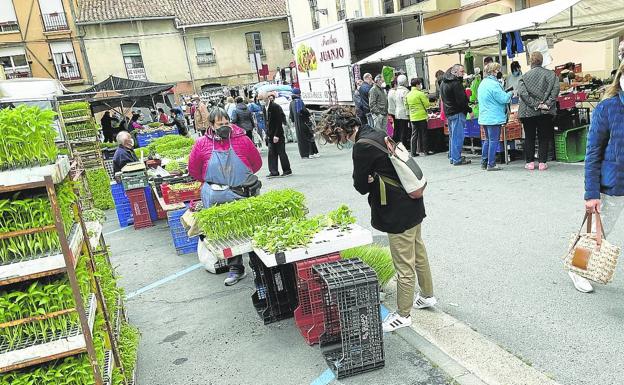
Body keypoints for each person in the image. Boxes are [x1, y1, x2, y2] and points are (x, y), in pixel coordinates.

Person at [316, 106, 435, 333]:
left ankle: (403, 315)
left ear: (340, 130)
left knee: (404, 265)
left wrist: (370, 179)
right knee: (418, 253)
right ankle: (427, 296)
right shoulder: (376, 131)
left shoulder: (362, 147)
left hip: (396, 211)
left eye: (333, 135)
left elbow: (360, 186)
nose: (335, 140)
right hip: (412, 202)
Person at [188, 108, 262, 286]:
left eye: (226, 123)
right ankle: (236, 269)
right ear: (211, 126)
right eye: (220, 124)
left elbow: (256, 163)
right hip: (216, 196)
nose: (224, 127)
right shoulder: (202, 144)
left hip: (242, 192)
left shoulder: (242, 139)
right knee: (227, 233)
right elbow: (194, 170)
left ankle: (259, 268)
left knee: (251, 229)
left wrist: (238, 178)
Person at [574, 61, 624, 293]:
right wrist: (591, 192)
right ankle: (577, 268)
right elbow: (592, 153)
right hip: (614, 183)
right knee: (597, 233)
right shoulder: (608, 108)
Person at [517, 51, 559, 171]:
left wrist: (535, 104)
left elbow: (523, 93)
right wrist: (546, 104)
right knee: (543, 136)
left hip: (528, 112)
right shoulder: (552, 75)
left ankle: (530, 162)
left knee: (529, 137)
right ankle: (542, 163)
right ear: (542, 61)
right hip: (545, 112)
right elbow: (555, 90)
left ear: (531, 62)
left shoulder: (524, 77)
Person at [478, 62, 513, 171]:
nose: (499, 72)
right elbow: (504, 99)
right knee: (493, 140)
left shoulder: (483, 83)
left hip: (484, 116)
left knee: (487, 140)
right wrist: (510, 93)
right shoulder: (494, 85)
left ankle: (484, 162)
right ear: (493, 72)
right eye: (498, 70)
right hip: (493, 117)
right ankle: (491, 164)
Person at [440, 64, 473, 165]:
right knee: (457, 137)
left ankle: (453, 156)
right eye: (462, 71)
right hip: (457, 112)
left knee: (453, 136)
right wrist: (469, 110)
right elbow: (461, 101)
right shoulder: (456, 83)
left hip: (449, 113)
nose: (463, 74)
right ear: (454, 72)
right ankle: (457, 159)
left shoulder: (443, 83)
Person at [262, 92, 292, 177]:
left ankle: (287, 170)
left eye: (262, 99)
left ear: (267, 98)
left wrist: (277, 135)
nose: (261, 101)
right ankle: (274, 171)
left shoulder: (275, 107)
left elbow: (279, 121)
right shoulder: (264, 108)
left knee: (281, 152)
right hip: (270, 134)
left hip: (277, 133)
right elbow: (266, 122)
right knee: (271, 153)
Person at [290, 88, 319, 159]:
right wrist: (309, 114)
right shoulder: (299, 102)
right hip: (304, 123)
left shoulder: (291, 103)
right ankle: (311, 153)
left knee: (301, 139)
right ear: (298, 94)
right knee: (308, 137)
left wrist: (295, 122)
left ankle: (304, 154)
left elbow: (291, 116)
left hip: (297, 125)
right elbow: (303, 111)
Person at [405, 78, 431, 157]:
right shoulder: (420, 93)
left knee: (414, 135)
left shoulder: (408, 94)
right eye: (419, 84)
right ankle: (425, 151)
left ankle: (413, 152)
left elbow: (406, 106)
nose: (420, 85)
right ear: (417, 85)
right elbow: (427, 105)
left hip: (413, 117)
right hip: (421, 116)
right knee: (423, 134)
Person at [393, 75, 410, 147]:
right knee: (404, 130)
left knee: (400, 129)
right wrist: (408, 113)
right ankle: (404, 145)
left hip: (397, 112)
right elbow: (406, 103)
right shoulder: (405, 91)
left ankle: (400, 145)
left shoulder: (396, 91)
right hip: (403, 113)